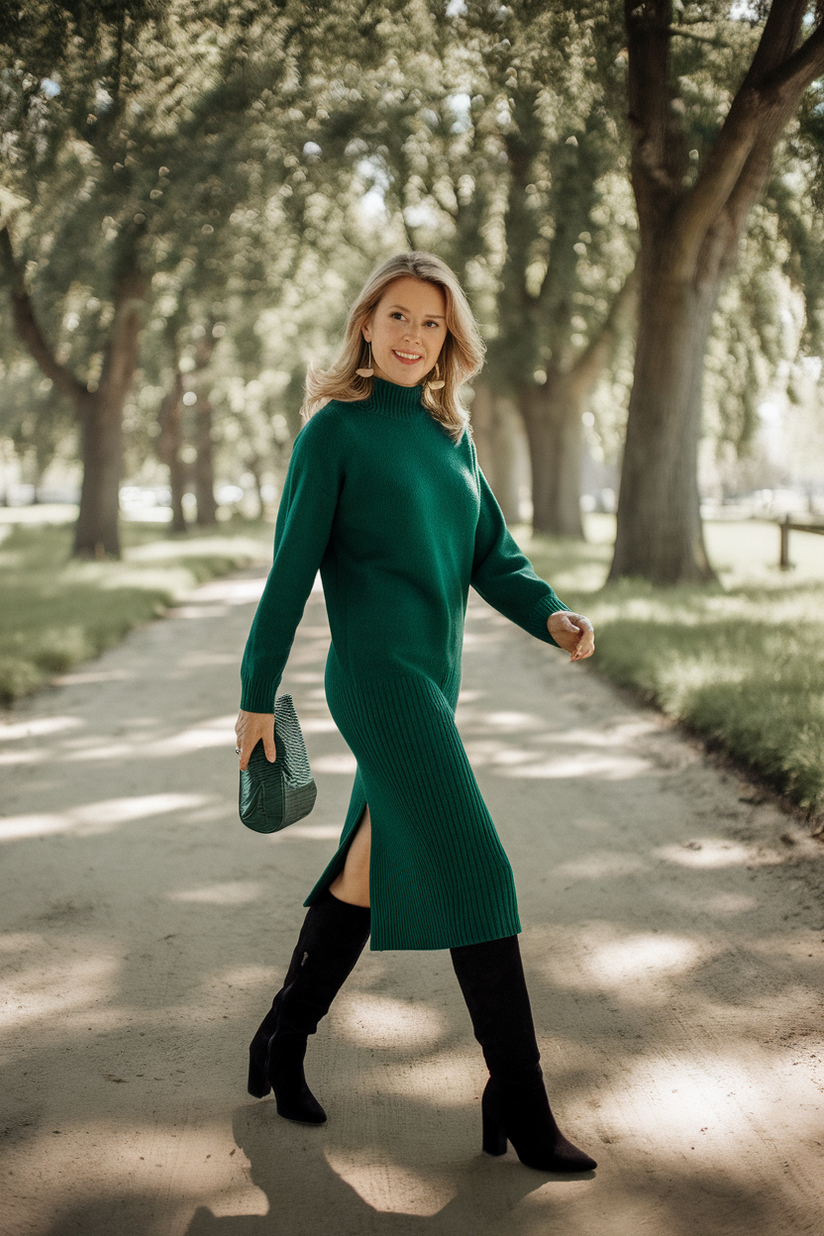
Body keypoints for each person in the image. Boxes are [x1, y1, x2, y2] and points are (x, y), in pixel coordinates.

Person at [235, 251, 597, 1173]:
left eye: (431, 323)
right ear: (366, 324)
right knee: (477, 866)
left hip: (435, 683)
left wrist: (550, 613)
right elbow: (288, 576)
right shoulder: (335, 434)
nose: (412, 336)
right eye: (397, 316)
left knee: (368, 867)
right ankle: (518, 1097)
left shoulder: (452, 438)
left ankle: (284, 1036)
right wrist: (253, 699)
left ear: (449, 340)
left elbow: (495, 558)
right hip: (379, 682)